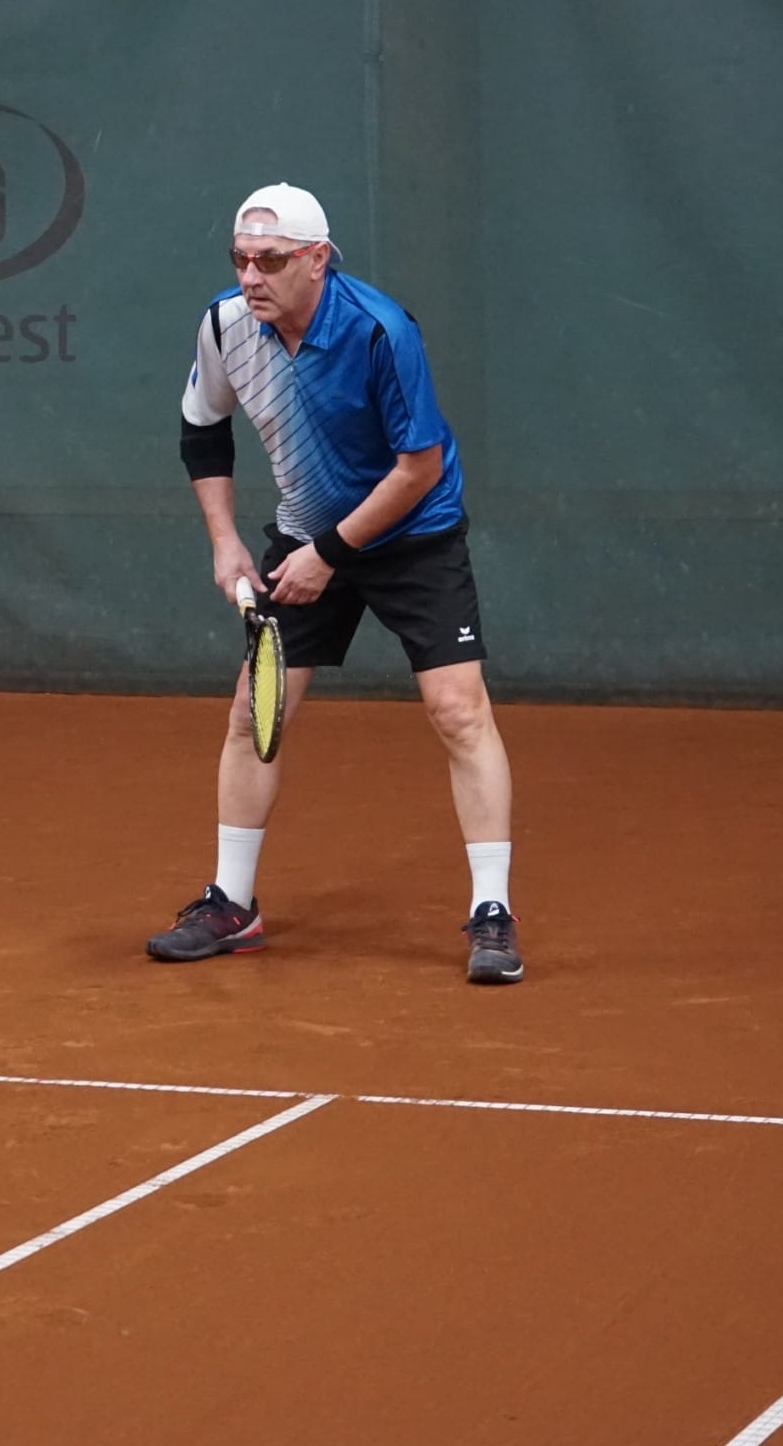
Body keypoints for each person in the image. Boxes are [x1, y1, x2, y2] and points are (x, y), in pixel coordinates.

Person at [148, 183, 523, 984]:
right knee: (255, 711)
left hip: (413, 533)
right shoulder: (226, 325)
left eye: (271, 261)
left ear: (318, 259)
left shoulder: (381, 331)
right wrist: (225, 542)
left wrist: (329, 554)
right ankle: (233, 904)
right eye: (241, 259)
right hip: (306, 530)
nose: (251, 277)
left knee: (459, 710)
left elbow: (418, 468)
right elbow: (203, 430)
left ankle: (492, 913)